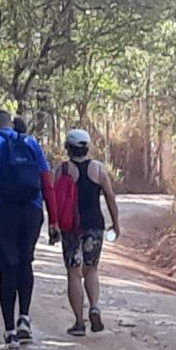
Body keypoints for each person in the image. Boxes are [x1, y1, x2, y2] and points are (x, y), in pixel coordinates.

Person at [0, 108, 50, 345]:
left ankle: (9, 330)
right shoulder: (30, 141)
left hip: (1, 210)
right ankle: (25, 318)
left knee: (8, 268)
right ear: (11, 123)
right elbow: (46, 177)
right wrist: (54, 218)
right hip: (32, 209)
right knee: (26, 261)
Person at [47, 127, 122, 335]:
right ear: (87, 148)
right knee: (91, 269)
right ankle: (95, 306)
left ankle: (79, 322)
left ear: (67, 148)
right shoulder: (98, 169)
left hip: (71, 227)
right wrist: (116, 224)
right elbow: (110, 197)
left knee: (73, 273)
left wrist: (52, 225)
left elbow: (52, 201)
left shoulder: (61, 170)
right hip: (95, 225)